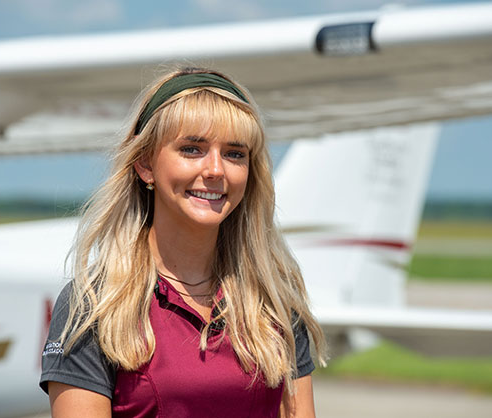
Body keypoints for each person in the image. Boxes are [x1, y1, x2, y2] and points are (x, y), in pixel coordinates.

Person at [39, 67, 326, 417]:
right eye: (192, 149)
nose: (216, 170)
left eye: (235, 153)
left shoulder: (274, 301)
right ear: (144, 163)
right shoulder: (94, 306)